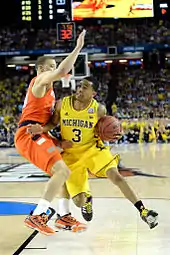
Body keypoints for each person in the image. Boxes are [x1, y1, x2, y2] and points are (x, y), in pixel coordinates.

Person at [28, 76, 158, 230]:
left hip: (93, 149)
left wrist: (115, 134)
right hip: (71, 154)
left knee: (116, 176)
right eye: (79, 86)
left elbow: (107, 128)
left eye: (84, 87)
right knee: (78, 201)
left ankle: (143, 211)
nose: (80, 90)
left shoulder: (98, 109)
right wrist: (42, 129)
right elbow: (52, 123)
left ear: (93, 93)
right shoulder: (62, 104)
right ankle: (87, 199)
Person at [14, 30, 87, 236]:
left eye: (55, 67)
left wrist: (54, 136)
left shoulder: (50, 91)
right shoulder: (41, 80)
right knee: (62, 171)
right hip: (28, 134)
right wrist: (78, 47)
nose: (55, 71)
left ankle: (63, 216)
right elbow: (64, 69)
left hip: (38, 133)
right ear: (41, 69)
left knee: (63, 169)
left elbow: (44, 124)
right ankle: (37, 216)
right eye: (52, 67)